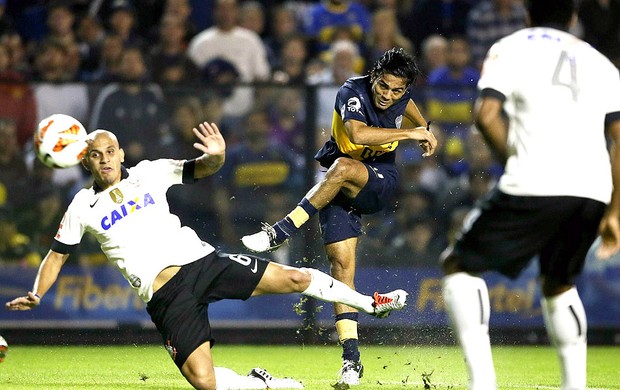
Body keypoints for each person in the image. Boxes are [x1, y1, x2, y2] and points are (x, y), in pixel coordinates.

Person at [4, 122, 408, 390]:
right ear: (85, 159)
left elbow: (203, 167)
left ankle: (371, 304)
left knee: (296, 278)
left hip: (202, 263)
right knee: (205, 382)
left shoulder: (151, 171)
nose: (105, 158)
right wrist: (38, 292)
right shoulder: (80, 206)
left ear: (122, 153)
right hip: (165, 297)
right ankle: (262, 384)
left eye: (111, 150)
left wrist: (216, 153)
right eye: (96, 154)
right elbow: (56, 256)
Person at [439, 1, 620, 389]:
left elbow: (486, 114)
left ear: (527, 14)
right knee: (559, 283)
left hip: (534, 181)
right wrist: (615, 211)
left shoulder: (512, 46)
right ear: (572, 17)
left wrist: (513, 159)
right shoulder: (600, 62)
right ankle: (576, 385)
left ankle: (483, 383)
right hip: (592, 189)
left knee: (459, 265)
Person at [242, 47, 437, 386]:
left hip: (377, 181)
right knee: (340, 268)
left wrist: (426, 130)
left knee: (343, 166)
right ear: (374, 76)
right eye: (384, 86)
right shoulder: (352, 91)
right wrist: (411, 133)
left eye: (397, 91)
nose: (388, 95)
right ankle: (351, 360)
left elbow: (416, 117)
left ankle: (281, 232)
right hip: (338, 185)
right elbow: (359, 134)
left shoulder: (403, 100)